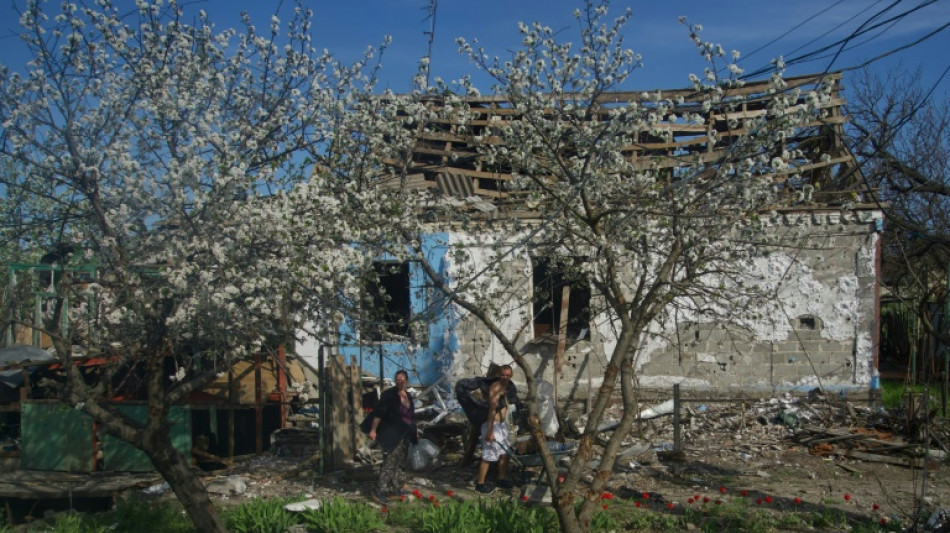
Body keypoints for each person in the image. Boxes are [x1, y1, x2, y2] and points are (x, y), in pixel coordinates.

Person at [367, 369, 417, 504]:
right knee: (389, 462)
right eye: (397, 380)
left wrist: (415, 432)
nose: (399, 382)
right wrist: (373, 430)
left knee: (399, 463)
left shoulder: (408, 396)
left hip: (405, 435)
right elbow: (379, 413)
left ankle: (394, 488)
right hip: (392, 434)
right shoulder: (389, 395)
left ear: (407, 381)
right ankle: (379, 491)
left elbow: (411, 416)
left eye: (402, 380)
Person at [475, 364, 516, 493]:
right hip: (493, 425)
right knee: (488, 455)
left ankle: (501, 478)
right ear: (499, 374)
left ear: (511, 375)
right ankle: (480, 483)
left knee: (505, 453)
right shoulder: (496, 387)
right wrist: (490, 431)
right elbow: (492, 410)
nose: (505, 377)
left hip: (502, 425)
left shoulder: (509, 387)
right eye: (503, 375)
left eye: (507, 375)